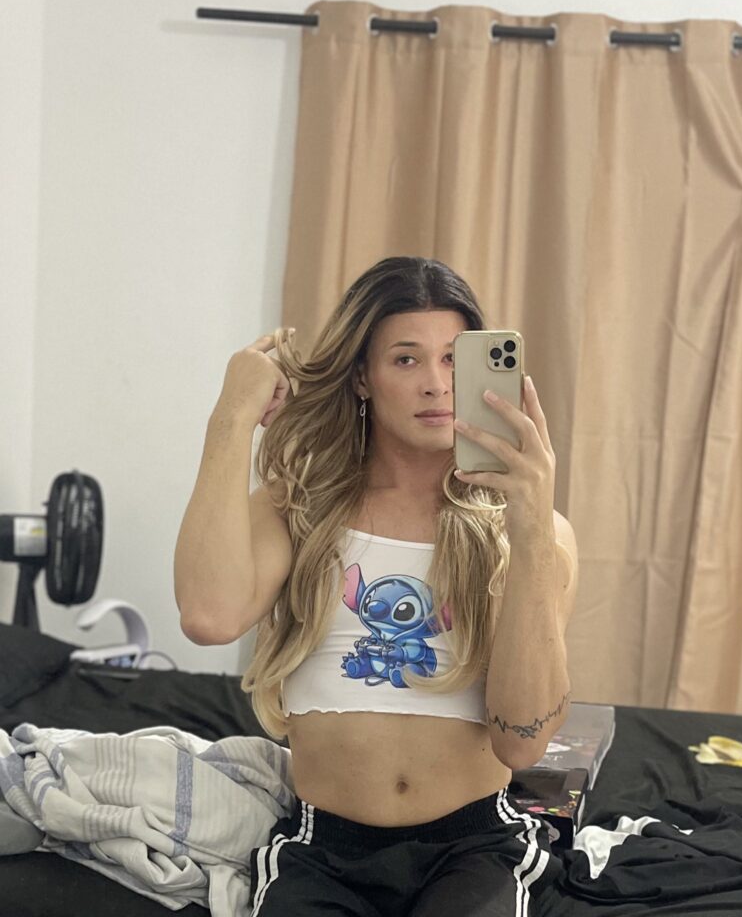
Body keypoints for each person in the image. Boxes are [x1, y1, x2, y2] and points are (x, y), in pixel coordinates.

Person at [174, 256, 582, 916]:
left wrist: (532, 532)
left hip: (474, 845)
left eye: (453, 360)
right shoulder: (300, 508)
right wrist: (231, 417)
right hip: (324, 847)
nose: (436, 385)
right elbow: (207, 615)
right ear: (362, 377)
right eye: (406, 359)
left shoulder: (529, 534)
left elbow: (522, 741)